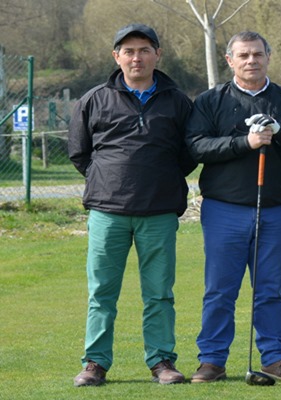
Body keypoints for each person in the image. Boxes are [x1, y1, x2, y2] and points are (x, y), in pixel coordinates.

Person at [184, 31, 281, 383]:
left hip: (274, 208)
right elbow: (196, 147)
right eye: (243, 55)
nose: (251, 61)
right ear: (229, 60)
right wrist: (245, 142)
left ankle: (275, 358)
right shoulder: (210, 101)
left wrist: (280, 132)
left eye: (257, 54)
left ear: (268, 56)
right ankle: (212, 360)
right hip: (224, 209)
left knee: (271, 289)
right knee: (220, 288)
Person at [68, 23, 197, 386]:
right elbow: (79, 152)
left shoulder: (178, 101)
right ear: (116, 56)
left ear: (157, 55)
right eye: (128, 50)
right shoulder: (93, 99)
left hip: (159, 212)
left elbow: (188, 154)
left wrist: (160, 179)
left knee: (159, 292)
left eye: (144, 49)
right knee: (102, 293)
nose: (136, 57)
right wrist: (106, 178)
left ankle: (162, 362)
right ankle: (94, 363)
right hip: (107, 212)